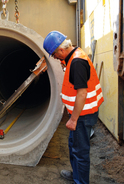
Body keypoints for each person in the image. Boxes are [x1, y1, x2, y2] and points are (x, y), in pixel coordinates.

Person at [43, 31, 104, 184]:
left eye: (55, 55)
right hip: (80, 113)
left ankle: (80, 181)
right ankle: (76, 174)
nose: (56, 58)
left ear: (61, 50)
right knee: (73, 145)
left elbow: (82, 93)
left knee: (80, 151)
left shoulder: (77, 62)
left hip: (83, 115)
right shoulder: (74, 55)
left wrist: (74, 119)